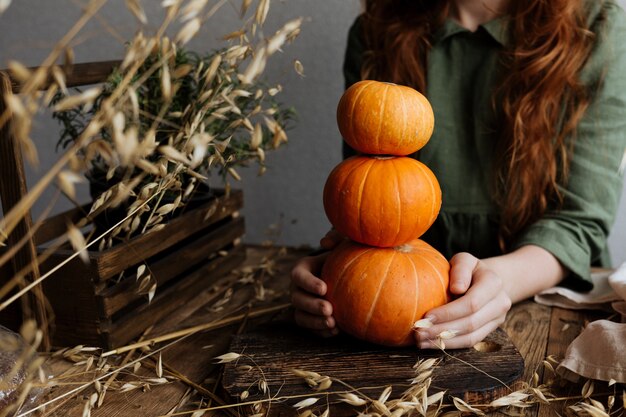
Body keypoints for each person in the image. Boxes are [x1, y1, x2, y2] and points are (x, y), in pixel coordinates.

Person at [291, 0, 626, 349]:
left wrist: (499, 280)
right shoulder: (377, 29)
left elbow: (578, 221)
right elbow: (367, 195)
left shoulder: (595, 27)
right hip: (402, 321)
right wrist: (337, 270)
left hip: (548, 313)